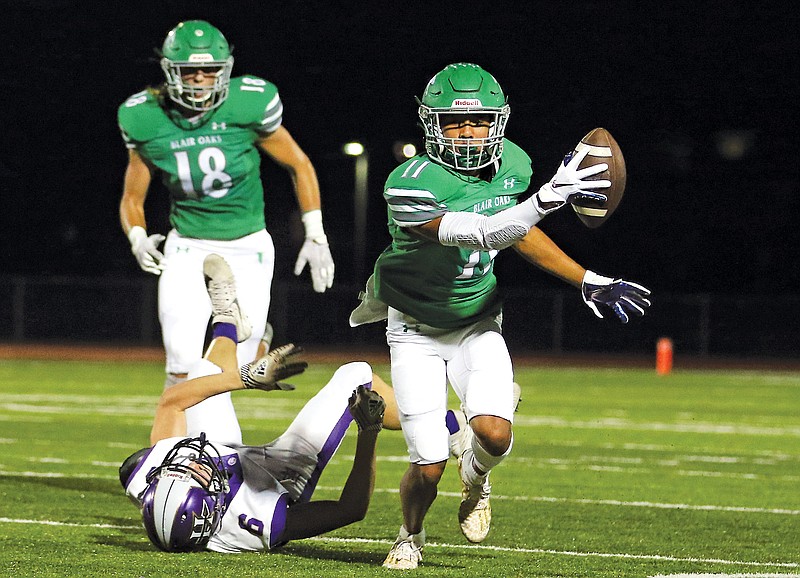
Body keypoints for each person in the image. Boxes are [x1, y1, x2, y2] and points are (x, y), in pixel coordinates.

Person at [349, 62, 651, 569]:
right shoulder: (408, 182)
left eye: (479, 121)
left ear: (499, 121)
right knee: (426, 464)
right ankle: (410, 535)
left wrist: (585, 278)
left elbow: (514, 231)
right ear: (431, 124)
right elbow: (479, 233)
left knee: (494, 434)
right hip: (416, 330)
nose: (468, 133)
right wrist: (547, 200)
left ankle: (478, 480)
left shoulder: (512, 162)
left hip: (476, 320)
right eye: (453, 122)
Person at [118, 20, 334, 392]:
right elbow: (132, 197)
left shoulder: (248, 103)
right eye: (190, 71)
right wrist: (137, 236)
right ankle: (186, 450)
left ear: (226, 70)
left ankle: (257, 341)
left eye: (210, 70)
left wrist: (315, 233)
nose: (201, 79)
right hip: (188, 245)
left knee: (239, 371)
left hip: (247, 244)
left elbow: (298, 164)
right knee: (181, 366)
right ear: (170, 71)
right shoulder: (144, 117)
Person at [120, 253, 382, 552]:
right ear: (212, 511)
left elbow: (172, 402)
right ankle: (442, 426)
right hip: (281, 474)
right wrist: (369, 429)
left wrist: (246, 377)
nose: (190, 462)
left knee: (202, 373)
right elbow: (350, 509)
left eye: (178, 472)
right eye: (195, 475)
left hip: (230, 458)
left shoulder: (146, 476)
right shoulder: (254, 521)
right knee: (356, 374)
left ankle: (227, 320)